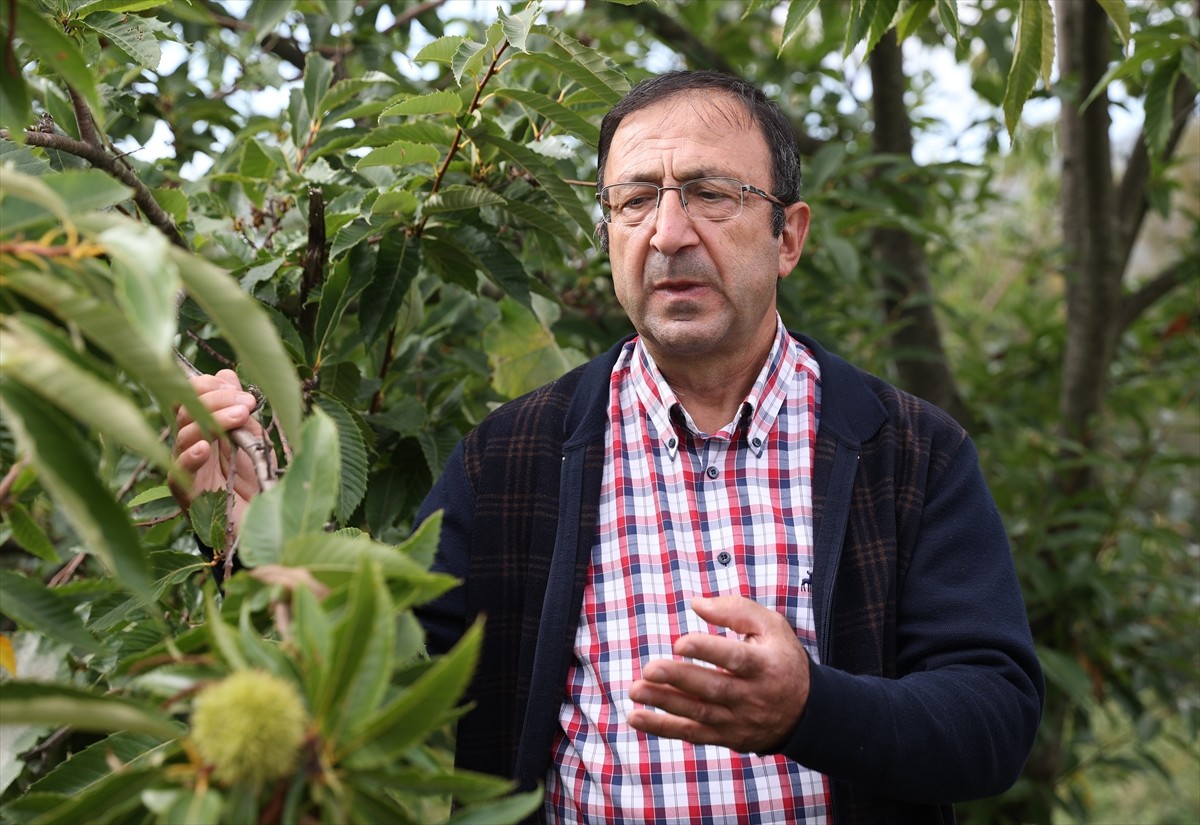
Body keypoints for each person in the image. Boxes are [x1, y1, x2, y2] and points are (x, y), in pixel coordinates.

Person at [173, 71, 1044, 824]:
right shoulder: (509, 459)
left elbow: (994, 719)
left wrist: (809, 706)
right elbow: (382, 672)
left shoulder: (909, 450)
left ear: (788, 236)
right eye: (634, 201)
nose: (668, 233)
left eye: (710, 193)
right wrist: (257, 538)